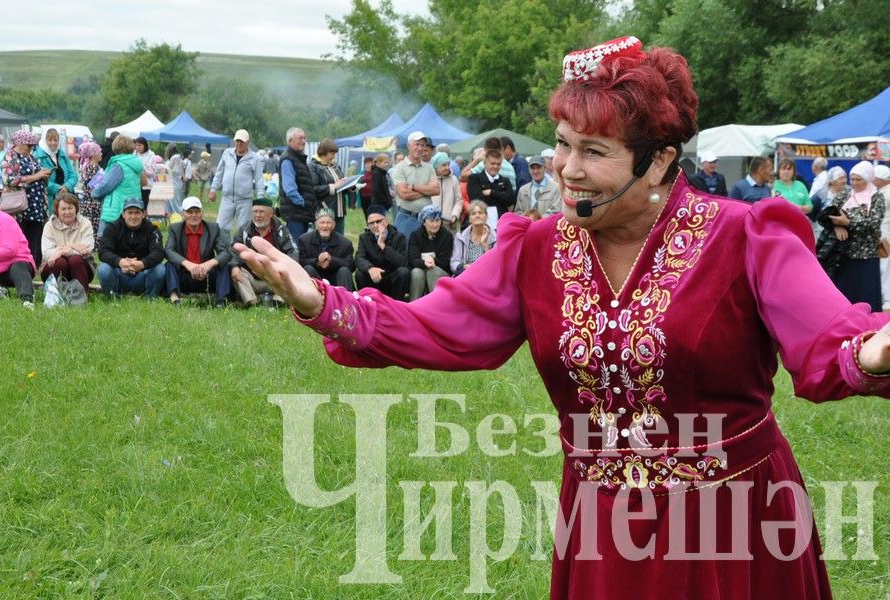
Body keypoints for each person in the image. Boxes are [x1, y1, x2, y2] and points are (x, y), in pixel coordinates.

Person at [234, 35, 890, 600]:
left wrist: (871, 353)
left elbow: (825, 334)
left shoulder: (744, 236)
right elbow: (439, 326)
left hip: (733, 526)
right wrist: (322, 303)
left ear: (659, 158)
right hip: (600, 526)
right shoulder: (538, 249)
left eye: (595, 151)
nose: (567, 171)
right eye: (561, 145)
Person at [826, 161, 885, 312]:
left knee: (867, 297)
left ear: (868, 179)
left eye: (858, 179)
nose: (854, 183)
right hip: (845, 256)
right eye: (852, 179)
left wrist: (848, 222)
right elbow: (827, 213)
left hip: (867, 257)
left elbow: (873, 222)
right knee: (846, 298)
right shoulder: (845, 195)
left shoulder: (876, 197)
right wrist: (837, 225)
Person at [230, 197, 298, 307]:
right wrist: (234, 266)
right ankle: (251, 303)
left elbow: (293, 251)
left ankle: (278, 301)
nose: (258, 215)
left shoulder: (281, 230)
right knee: (237, 271)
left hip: (275, 278)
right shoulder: (244, 229)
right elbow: (233, 249)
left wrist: (284, 268)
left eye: (261, 212)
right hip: (253, 277)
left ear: (271, 213)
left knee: (287, 271)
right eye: (255, 212)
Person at [164, 196, 231, 307]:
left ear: (202, 212)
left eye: (197, 211)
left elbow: (225, 253)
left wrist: (207, 265)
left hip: (206, 276)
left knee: (223, 265)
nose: (194, 215)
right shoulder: (175, 229)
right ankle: (174, 299)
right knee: (169, 265)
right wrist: (189, 265)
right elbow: (168, 251)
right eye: (190, 212)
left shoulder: (213, 228)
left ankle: (221, 301)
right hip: (185, 274)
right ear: (182, 214)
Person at [97, 197, 165, 299]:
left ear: (143, 214)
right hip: (119, 273)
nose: (133, 216)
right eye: (130, 212)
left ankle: (150, 299)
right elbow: (103, 251)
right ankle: (114, 299)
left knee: (160, 269)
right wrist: (120, 262)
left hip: (143, 274)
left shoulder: (152, 230)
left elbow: (159, 252)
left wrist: (142, 264)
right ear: (123, 214)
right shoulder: (112, 228)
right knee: (103, 269)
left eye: (137, 212)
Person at [2, 129, 52, 266]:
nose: (32, 148)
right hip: (19, 206)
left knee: (35, 236)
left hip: (36, 205)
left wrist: (44, 175)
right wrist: (36, 176)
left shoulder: (32, 157)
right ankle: (19, 266)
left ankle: (33, 266)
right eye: (30, 145)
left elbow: (36, 175)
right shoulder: (10, 156)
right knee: (20, 236)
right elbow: (10, 180)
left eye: (33, 146)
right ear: (20, 143)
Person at [40, 192, 95, 296]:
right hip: (54, 268)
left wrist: (62, 251)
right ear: (57, 211)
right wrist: (73, 248)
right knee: (59, 262)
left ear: (76, 209)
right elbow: (47, 253)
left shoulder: (85, 223)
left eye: (70, 208)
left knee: (75, 259)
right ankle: (55, 297)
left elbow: (86, 250)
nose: (67, 212)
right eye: (63, 209)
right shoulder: (49, 225)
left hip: (81, 269)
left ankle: (82, 298)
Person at [209, 130, 264, 234]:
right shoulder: (227, 153)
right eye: (237, 141)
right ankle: (224, 249)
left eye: (242, 141)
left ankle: (241, 250)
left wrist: (260, 198)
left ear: (247, 142)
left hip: (245, 200)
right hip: (227, 198)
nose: (239, 144)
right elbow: (219, 172)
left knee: (244, 229)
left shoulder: (254, 158)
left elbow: (259, 179)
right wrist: (213, 189)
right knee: (221, 227)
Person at [0, 190, 35, 307]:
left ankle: (26, 299)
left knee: (18, 267)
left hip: (13, 266)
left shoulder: (4, 219)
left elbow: (9, 250)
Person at [92, 135, 147, 237]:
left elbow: (107, 185)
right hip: (131, 205)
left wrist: (94, 193)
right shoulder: (135, 163)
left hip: (116, 209)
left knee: (110, 240)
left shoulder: (119, 164)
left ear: (115, 147)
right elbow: (144, 182)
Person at [353, 205, 409, 299]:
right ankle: (367, 303)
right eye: (371, 223)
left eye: (378, 221)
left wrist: (383, 246)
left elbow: (402, 261)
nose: (375, 225)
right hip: (374, 278)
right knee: (360, 274)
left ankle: (396, 304)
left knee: (403, 272)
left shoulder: (399, 237)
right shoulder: (364, 237)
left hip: (392, 278)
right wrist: (370, 268)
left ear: (386, 222)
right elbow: (359, 257)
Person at [392, 131, 439, 240]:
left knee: (427, 253)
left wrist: (413, 187)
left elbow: (436, 190)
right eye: (416, 144)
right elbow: (404, 194)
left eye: (422, 145)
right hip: (407, 218)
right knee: (406, 252)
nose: (420, 148)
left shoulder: (429, 167)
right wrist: (426, 191)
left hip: (427, 220)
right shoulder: (399, 168)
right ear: (408, 146)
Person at [297, 207, 355, 292]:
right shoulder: (304, 240)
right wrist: (318, 262)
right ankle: (311, 302)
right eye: (322, 222)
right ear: (316, 224)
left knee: (344, 270)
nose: (325, 226)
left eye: (328, 223)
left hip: (336, 280)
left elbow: (351, 266)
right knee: (308, 268)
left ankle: (347, 302)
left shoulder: (345, 243)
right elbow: (300, 262)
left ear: (334, 225)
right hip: (316, 279)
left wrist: (331, 259)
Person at [279, 127, 317, 243]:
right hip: (296, 213)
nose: (304, 141)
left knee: (304, 246)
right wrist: (303, 203)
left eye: (305, 138)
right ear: (290, 141)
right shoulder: (288, 160)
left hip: (302, 213)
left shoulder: (298, 158)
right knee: (297, 248)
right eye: (300, 138)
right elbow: (289, 189)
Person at [407, 205, 453, 300]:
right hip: (421, 269)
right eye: (431, 221)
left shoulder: (447, 236)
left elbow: (446, 262)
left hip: (440, 272)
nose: (435, 224)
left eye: (438, 220)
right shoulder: (415, 235)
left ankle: (436, 305)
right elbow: (413, 259)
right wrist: (424, 263)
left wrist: (433, 261)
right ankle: (414, 306)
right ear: (424, 222)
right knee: (416, 272)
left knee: (433, 271)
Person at [309, 139, 351, 235]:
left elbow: (341, 184)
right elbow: (314, 189)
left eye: (334, 153)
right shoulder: (313, 166)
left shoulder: (336, 166)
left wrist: (349, 185)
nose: (334, 156)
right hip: (324, 211)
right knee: (324, 240)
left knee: (339, 241)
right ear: (323, 152)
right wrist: (334, 186)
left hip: (340, 210)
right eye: (331, 153)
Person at [35, 128, 78, 214]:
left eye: (56, 140)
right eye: (50, 140)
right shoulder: (37, 156)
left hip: (67, 196)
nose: (53, 143)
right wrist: (58, 188)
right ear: (44, 140)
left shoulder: (62, 154)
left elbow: (73, 175)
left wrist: (66, 186)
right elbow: (39, 179)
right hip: (49, 199)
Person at [466, 149, 516, 218]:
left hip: (500, 223)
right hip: (481, 222)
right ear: (484, 163)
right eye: (492, 163)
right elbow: (476, 200)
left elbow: (511, 200)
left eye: (498, 164)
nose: (495, 167)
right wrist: (501, 196)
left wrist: (492, 192)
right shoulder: (474, 179)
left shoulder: (505, 180)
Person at [450, 200, 496, 275]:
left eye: (480, 213)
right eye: (473, 213)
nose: (477, 216)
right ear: (469, 218)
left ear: (486, 216)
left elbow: (496, 264)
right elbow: (454, 262)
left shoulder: (495, 237)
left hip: (486, 275)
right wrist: (464, 266)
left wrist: (484, 245)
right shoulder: (460, 237)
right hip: (466, 274)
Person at [77, 140, 103, 241]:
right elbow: (96, 186)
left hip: (88, 202)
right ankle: (94, 245)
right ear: (93, 154)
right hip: (93, 203)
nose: (101, 153)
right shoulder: (93, 167)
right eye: (99, 151)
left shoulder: (87, 166)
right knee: (93, 226)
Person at [430, 152, 463, 230]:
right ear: (436, 167)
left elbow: (459, 200)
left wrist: (455, 215)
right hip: (432, 222)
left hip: (449, 223)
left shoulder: (453, 179)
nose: (447, 167)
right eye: (444, 165)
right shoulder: (429, 179)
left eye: (448, 164)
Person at [875, 164, 890, 309]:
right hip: (884, 231)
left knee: (885, 265)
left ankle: (887, 297)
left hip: (885, 233)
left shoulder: (885, 193)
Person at [134, 136, 157, 208]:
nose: (138, 147)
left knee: (143, 205)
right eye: (136, 145)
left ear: (145, 145)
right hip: (136, 184)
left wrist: (143, 171)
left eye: (140, 145)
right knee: (135, 205)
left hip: (146, 185)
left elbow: (153, 172)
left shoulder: (151, 155)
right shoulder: (134, 154)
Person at [164, 143, 184, 215]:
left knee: (175, 205)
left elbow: (167, 169)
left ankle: (180, 217)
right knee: (169, 203)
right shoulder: (177, 158)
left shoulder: (175, 157)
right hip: (173, 184)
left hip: (173, 184)